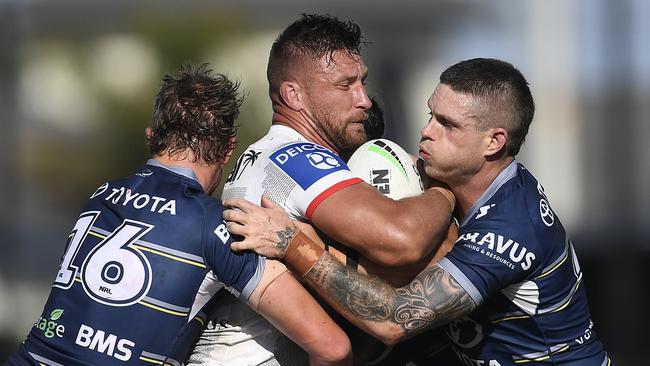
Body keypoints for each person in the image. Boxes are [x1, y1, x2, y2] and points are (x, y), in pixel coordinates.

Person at [224, 58, 613, 365]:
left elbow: (395, 319)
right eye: (431, 114)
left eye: (447, 125)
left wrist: (293, 244)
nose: (426, 131)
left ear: (493, 142)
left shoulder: (509, 228)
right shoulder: (461, 184)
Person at [3, 64, 352, 366]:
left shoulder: (100, 195)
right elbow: (332, 348)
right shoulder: (220, 225)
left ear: (150, 138)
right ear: (229, 148)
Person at [191, 13, 457, 366]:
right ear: (293, 95)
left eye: (362, 82)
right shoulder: (296, 159)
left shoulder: (262, 154)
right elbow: (404, 240)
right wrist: (444, 186)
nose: (364, 99)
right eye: (345, 85)